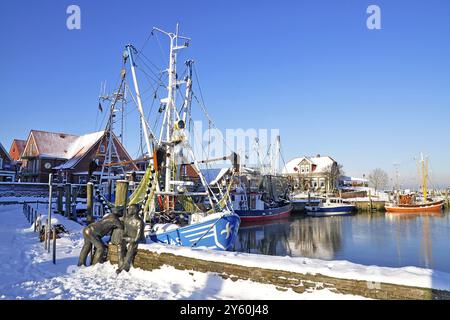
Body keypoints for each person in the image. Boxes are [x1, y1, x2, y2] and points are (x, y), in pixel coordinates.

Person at [116, 204, 145, 274]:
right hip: (129, 238)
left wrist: (127, 238)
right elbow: (126, 232)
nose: (128, 210)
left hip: (139, 240)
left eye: (130, 209)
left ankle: (126, 266)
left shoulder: (140, 222)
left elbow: (137, 239)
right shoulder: (127, 219)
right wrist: (123, 238)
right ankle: (121, 264)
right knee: (120, 244)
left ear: (135, 211)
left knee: (132, 245)